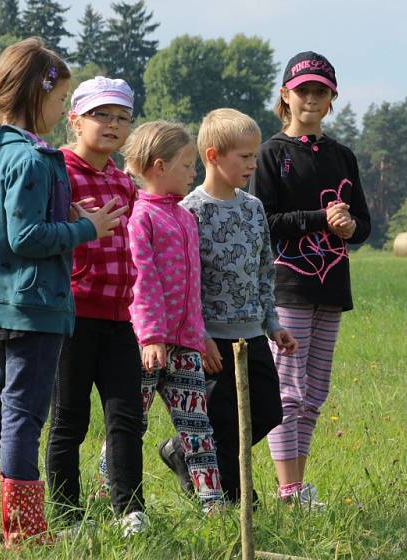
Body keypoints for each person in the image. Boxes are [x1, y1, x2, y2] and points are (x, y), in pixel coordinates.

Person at [0, 38, 126, 547]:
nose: (60, 109)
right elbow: (25, 238)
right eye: (59, 100)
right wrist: (86, 229)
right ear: (36, 95)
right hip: (32, 306)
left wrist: (65, 217)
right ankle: (24, 530)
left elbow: (15, 224)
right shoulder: (33, 158)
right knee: (24, 415)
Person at [250, 51, 371, 506]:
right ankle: (288, 486)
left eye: (321, 91)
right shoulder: (270, 154)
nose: (312, 98)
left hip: (332, 286)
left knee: (315, 392)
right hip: (289, 288)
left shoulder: (343, 156)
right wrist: (321, 219)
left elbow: (364, 224)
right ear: (286, 95)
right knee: (289, 389)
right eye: (304, 90)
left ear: (332, 98)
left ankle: (297, 488)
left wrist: (349, 227)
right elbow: (262, 220)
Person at [159, 108, 298, 505]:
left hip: (252, 332)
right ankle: (238, 500)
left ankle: (184, 450)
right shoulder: (189, 211)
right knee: (221, 420)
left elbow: (262, 270)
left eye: (254, 156)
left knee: (268, 410)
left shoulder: (253, 208)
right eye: (244, 157)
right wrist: (199, 336)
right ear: (214, 156)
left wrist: (273, 324)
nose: (253, 165)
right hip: (210, 339)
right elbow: (185, 282)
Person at [45, 77, 147, 534]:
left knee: (127, 416)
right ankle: (66, 515)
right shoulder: (58, 171)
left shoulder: (124, 182)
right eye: (100, 115)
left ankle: (130, 511)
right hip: (72, 316)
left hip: (119, 317)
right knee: (70, 419)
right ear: (75, 120)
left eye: (122, 117)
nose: (112, 125)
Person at [123, 120, 224, 517]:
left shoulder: (184, 218)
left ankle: (212, 505)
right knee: (132, 426)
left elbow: (193, 285)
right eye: (187, 165)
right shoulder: (140, 217)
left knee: (197, 426)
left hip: (185, 346)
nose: (193, 173)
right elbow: (141, 281)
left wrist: (200, 337)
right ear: (159, 167)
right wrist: (151, 337)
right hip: (149, 346)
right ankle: (107, 492)